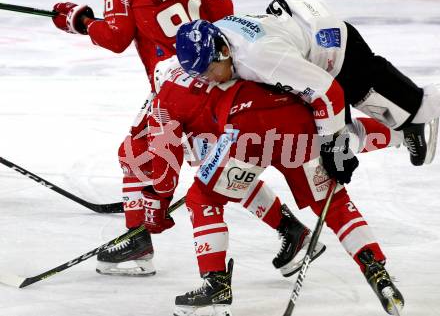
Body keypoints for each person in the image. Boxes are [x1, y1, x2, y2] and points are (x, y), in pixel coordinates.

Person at [142, 58, 404, 316]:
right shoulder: (227, 59)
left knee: (203, 198)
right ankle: (375, 268)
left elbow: (166, 162)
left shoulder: (164, 96)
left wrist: (160, 203)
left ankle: (216, 285)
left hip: (246, 129)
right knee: (333, 203)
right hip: (294, 119)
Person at [50, 0, 235, 276]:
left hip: (173, 85)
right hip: (216, 76)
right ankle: (137, 237)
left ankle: (138, 238)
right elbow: (224, 9)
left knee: (147, 156)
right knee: (220, 165)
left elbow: (115, 37)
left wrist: (80, 21)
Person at [174, 0, 439, 186]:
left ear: (223, 51)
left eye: (208, 72)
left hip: (339, 55)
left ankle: (410, 123)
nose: (206, 80)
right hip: (304, 52)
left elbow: (329, 93)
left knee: (418, 107)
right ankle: (403, 132)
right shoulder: (216, 38)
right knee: (335, 137)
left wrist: (334, 148)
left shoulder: (260, 57)